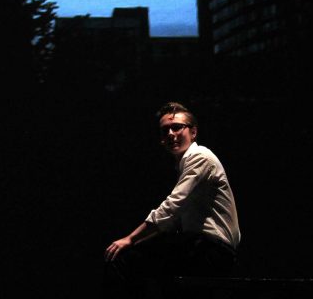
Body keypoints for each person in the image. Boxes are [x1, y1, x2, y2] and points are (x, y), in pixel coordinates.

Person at [102, 102, 240, 298]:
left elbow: (172, 207)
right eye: (165, 130)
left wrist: (130, 239)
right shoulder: (185, 163)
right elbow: (172, 221)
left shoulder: (200, 157)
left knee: (124, 259)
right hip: (202, 247)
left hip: (211, 249)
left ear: (193, 132)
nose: (170, 134)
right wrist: (137, 242)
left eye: (177, 127)